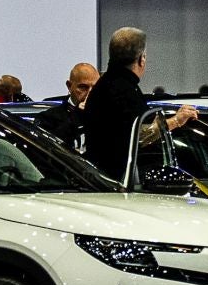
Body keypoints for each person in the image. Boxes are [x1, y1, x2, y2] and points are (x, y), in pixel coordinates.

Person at [84, 27, 198, 183]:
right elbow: (140, 135)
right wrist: (176, 120)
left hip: (102, 179)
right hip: (119, 183)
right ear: (141, 59)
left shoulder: (104, 85)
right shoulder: (125, 91)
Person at [35, 62, 98, 155]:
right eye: (83, 87)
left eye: (95, 88)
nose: (90, 93)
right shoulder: (48, 117)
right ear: (69, 86)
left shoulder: (107, 116)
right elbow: (47, 150)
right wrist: (77, 114)